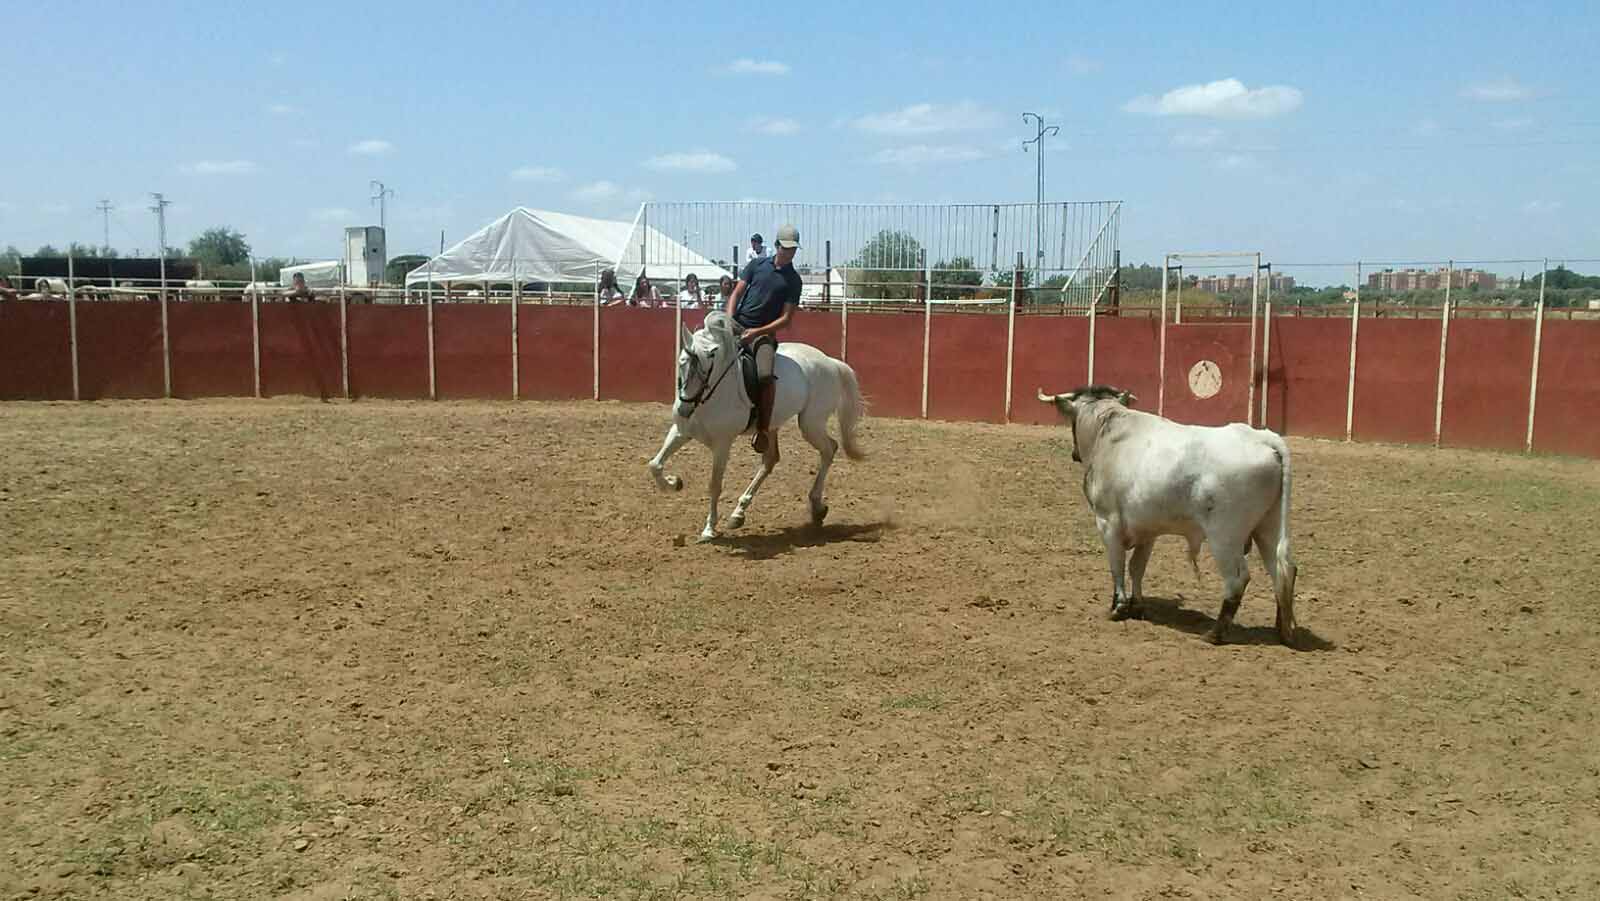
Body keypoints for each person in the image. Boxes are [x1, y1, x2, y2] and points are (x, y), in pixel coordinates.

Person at [726, 223, 802, 458]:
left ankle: (762, 430)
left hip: (764, 336)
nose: (789, 253)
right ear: (777, 245)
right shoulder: (757, 265)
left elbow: (786, 319)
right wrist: (729, 319)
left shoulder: (793, 280)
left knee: (765, 375)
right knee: (705, 352)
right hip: (737, 324)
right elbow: (736, 293)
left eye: (793, 249)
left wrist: (757, 333)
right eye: (786, 248)